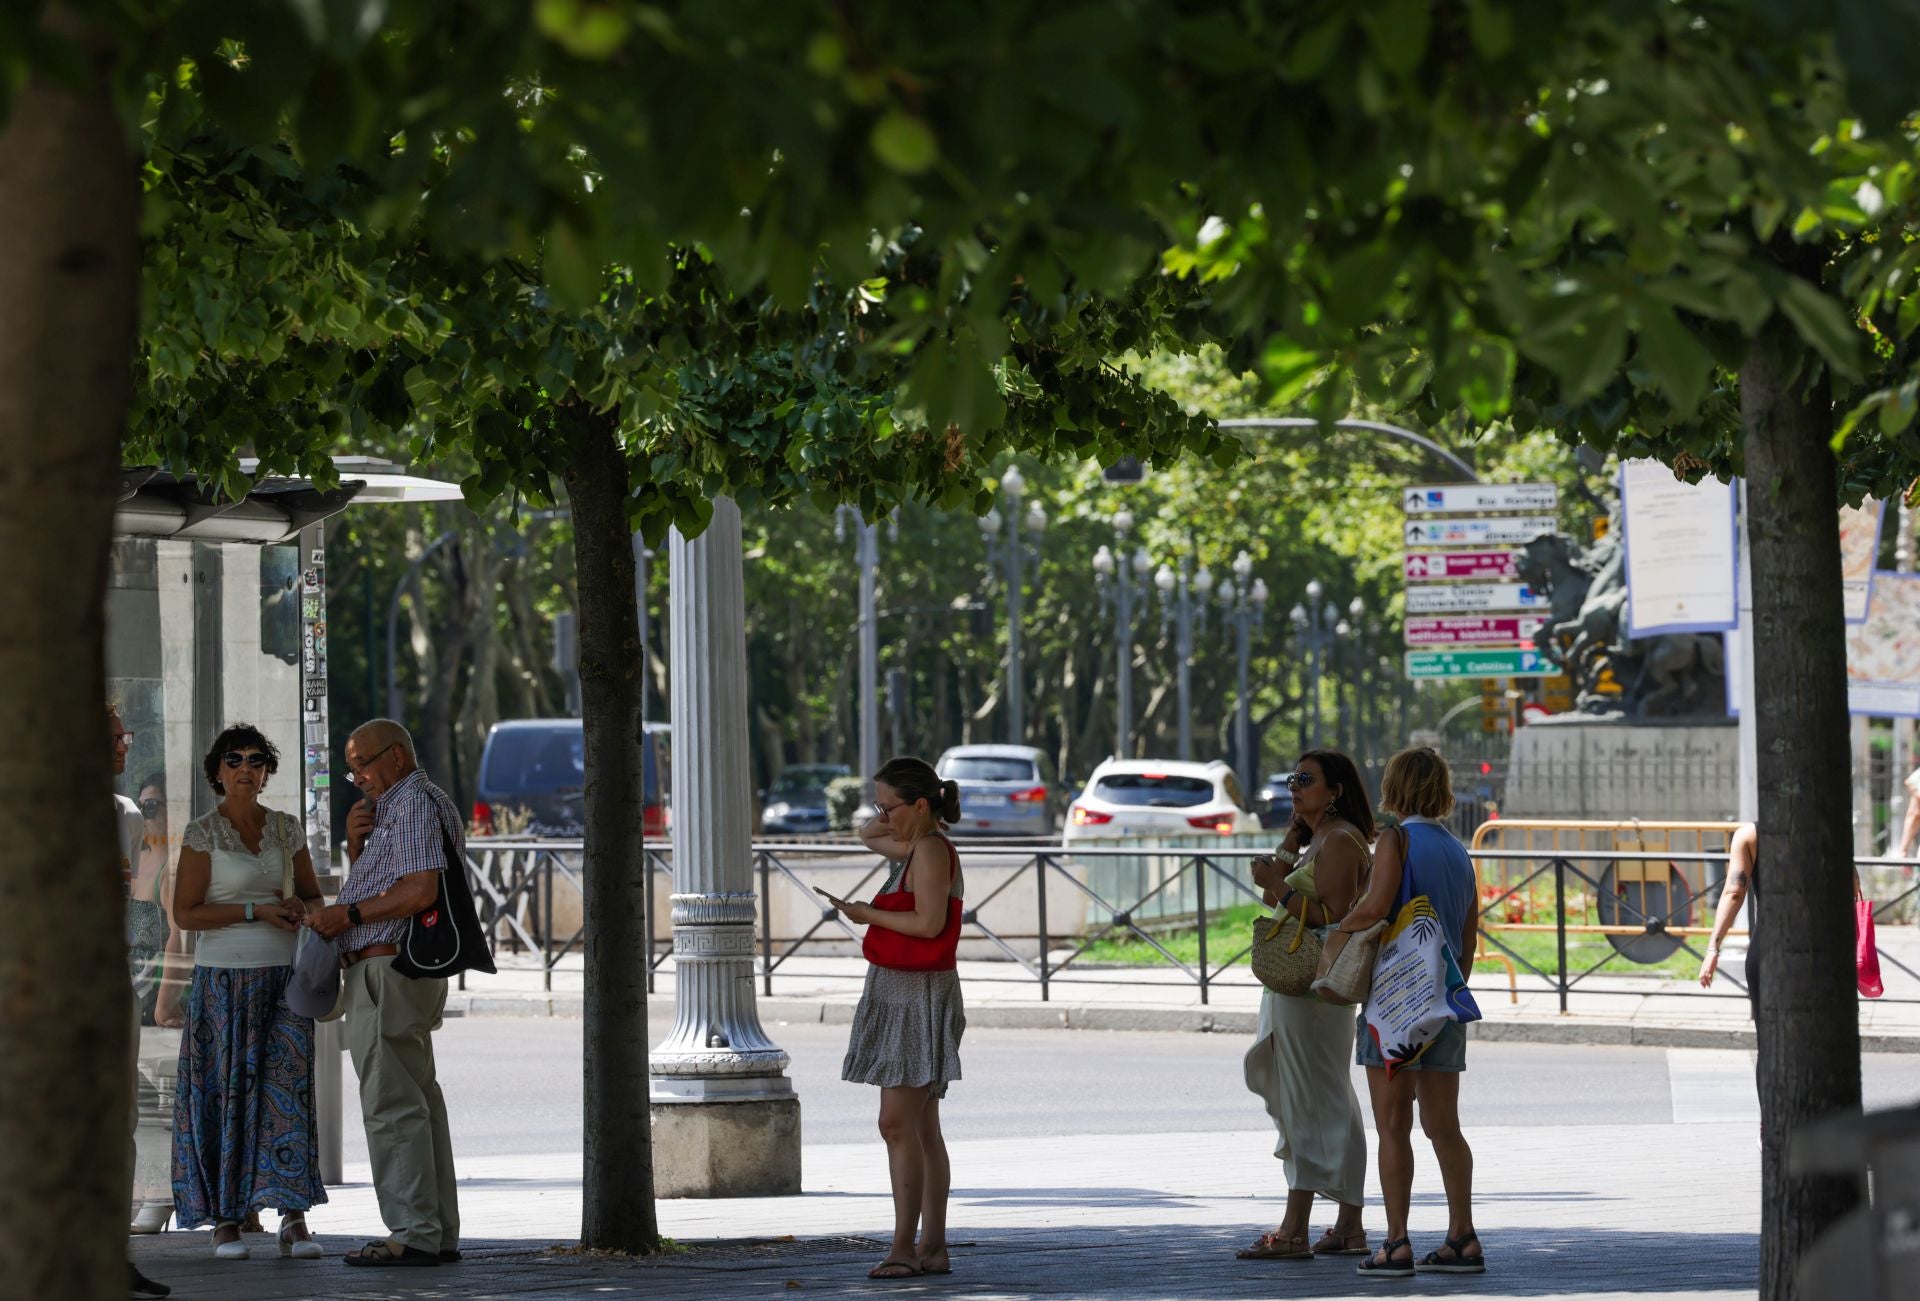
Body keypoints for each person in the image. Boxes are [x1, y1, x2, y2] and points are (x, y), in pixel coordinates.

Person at [305, 719, 463, 1268]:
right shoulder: (409, 805)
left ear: (396, 757)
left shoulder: (413, 802)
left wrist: (344, 913)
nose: (359, 778)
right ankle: (435, 1230)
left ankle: (414, 1232)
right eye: (352, 771)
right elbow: (396, 881)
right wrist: (357, 850)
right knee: (419, 1102)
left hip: (387, 970)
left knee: (392, 1106)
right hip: (398, 971)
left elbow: (419, 889)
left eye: (364, 764)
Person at [169, 724, 328, 1260]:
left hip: (283, 979)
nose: (245, 768)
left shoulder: (286, 828)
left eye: (256, 760)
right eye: (234, 759)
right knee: (223, 1094)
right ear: (217, 771)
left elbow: (311, 895)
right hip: (222, 982)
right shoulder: (202, 833)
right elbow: (185, 913)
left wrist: (299, 911)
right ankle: (227, 1220)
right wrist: (252, 910)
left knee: (285, 1093)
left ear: (267, 772)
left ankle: (293, 1217)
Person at [1337, 746, 1485, 1278]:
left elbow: (1377, 906)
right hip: (1443, 1000)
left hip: (1394, 1005)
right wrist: (1448, 987)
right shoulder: (1458, 850)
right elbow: (1468, 936)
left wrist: (1337, 935)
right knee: (1445, 1126)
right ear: (1442, 788)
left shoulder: (1395, 840)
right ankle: (1462, 1236)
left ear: (1395, 787)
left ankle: (1396, 1242)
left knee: (1393, 1126)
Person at [824, 757, 966, 1280]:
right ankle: (930, 1246)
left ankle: (906, 1246)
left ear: (922, 805)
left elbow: (928, 924)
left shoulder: (928, 849)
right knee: (921, 1126)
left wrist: (866, 913)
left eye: (890, 806)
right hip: (906, 989)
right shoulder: (916, 846)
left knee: (897, 1123)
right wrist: (891, 813)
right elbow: (866, 836)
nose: (881, 816)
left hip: (917, 992)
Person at [1237, 749, 1373, 1262]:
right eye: (1293, 778)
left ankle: (1297, 1228)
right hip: (1295, 989)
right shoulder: (1319, 838)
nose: (1294, 786)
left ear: (1334, 790)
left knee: (1315, 1101)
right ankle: (1347, 1225)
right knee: (1317, 1100)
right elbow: (1282, 900)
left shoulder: (1340, 841)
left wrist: (1277, 882)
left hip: (1316, 989)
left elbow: (1335, 916)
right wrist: (1291, 845)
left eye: (1306, 779)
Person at [113, 705, 172, 1298]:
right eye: (112, 739)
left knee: (123, 1115)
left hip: (112, 977)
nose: (122, 747)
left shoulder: (126, 813)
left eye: (124, 738)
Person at [1699, 823, 1759, 1013]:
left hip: (1768, 950)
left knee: (1771, 1036)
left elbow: (1734, 893)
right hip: (1825, 952)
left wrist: (1713, 949)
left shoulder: (1749, 835)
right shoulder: (1827, 828)